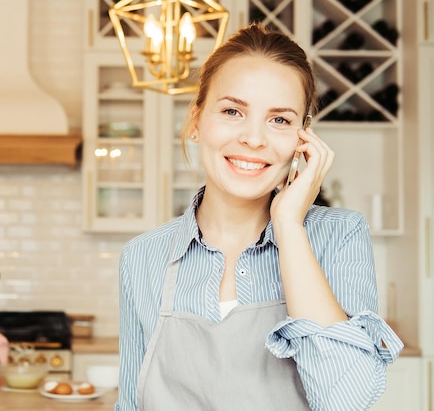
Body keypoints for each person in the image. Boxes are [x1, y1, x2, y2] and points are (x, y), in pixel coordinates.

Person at [115, 23, 403, 411]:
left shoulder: (338, 235)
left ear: (304, 138)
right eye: (233, 111)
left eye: (280, 120)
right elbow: (131, 403)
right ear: (197, 121)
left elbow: (346, 400)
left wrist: (288, 227)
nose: (254, 139)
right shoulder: (142, 256)